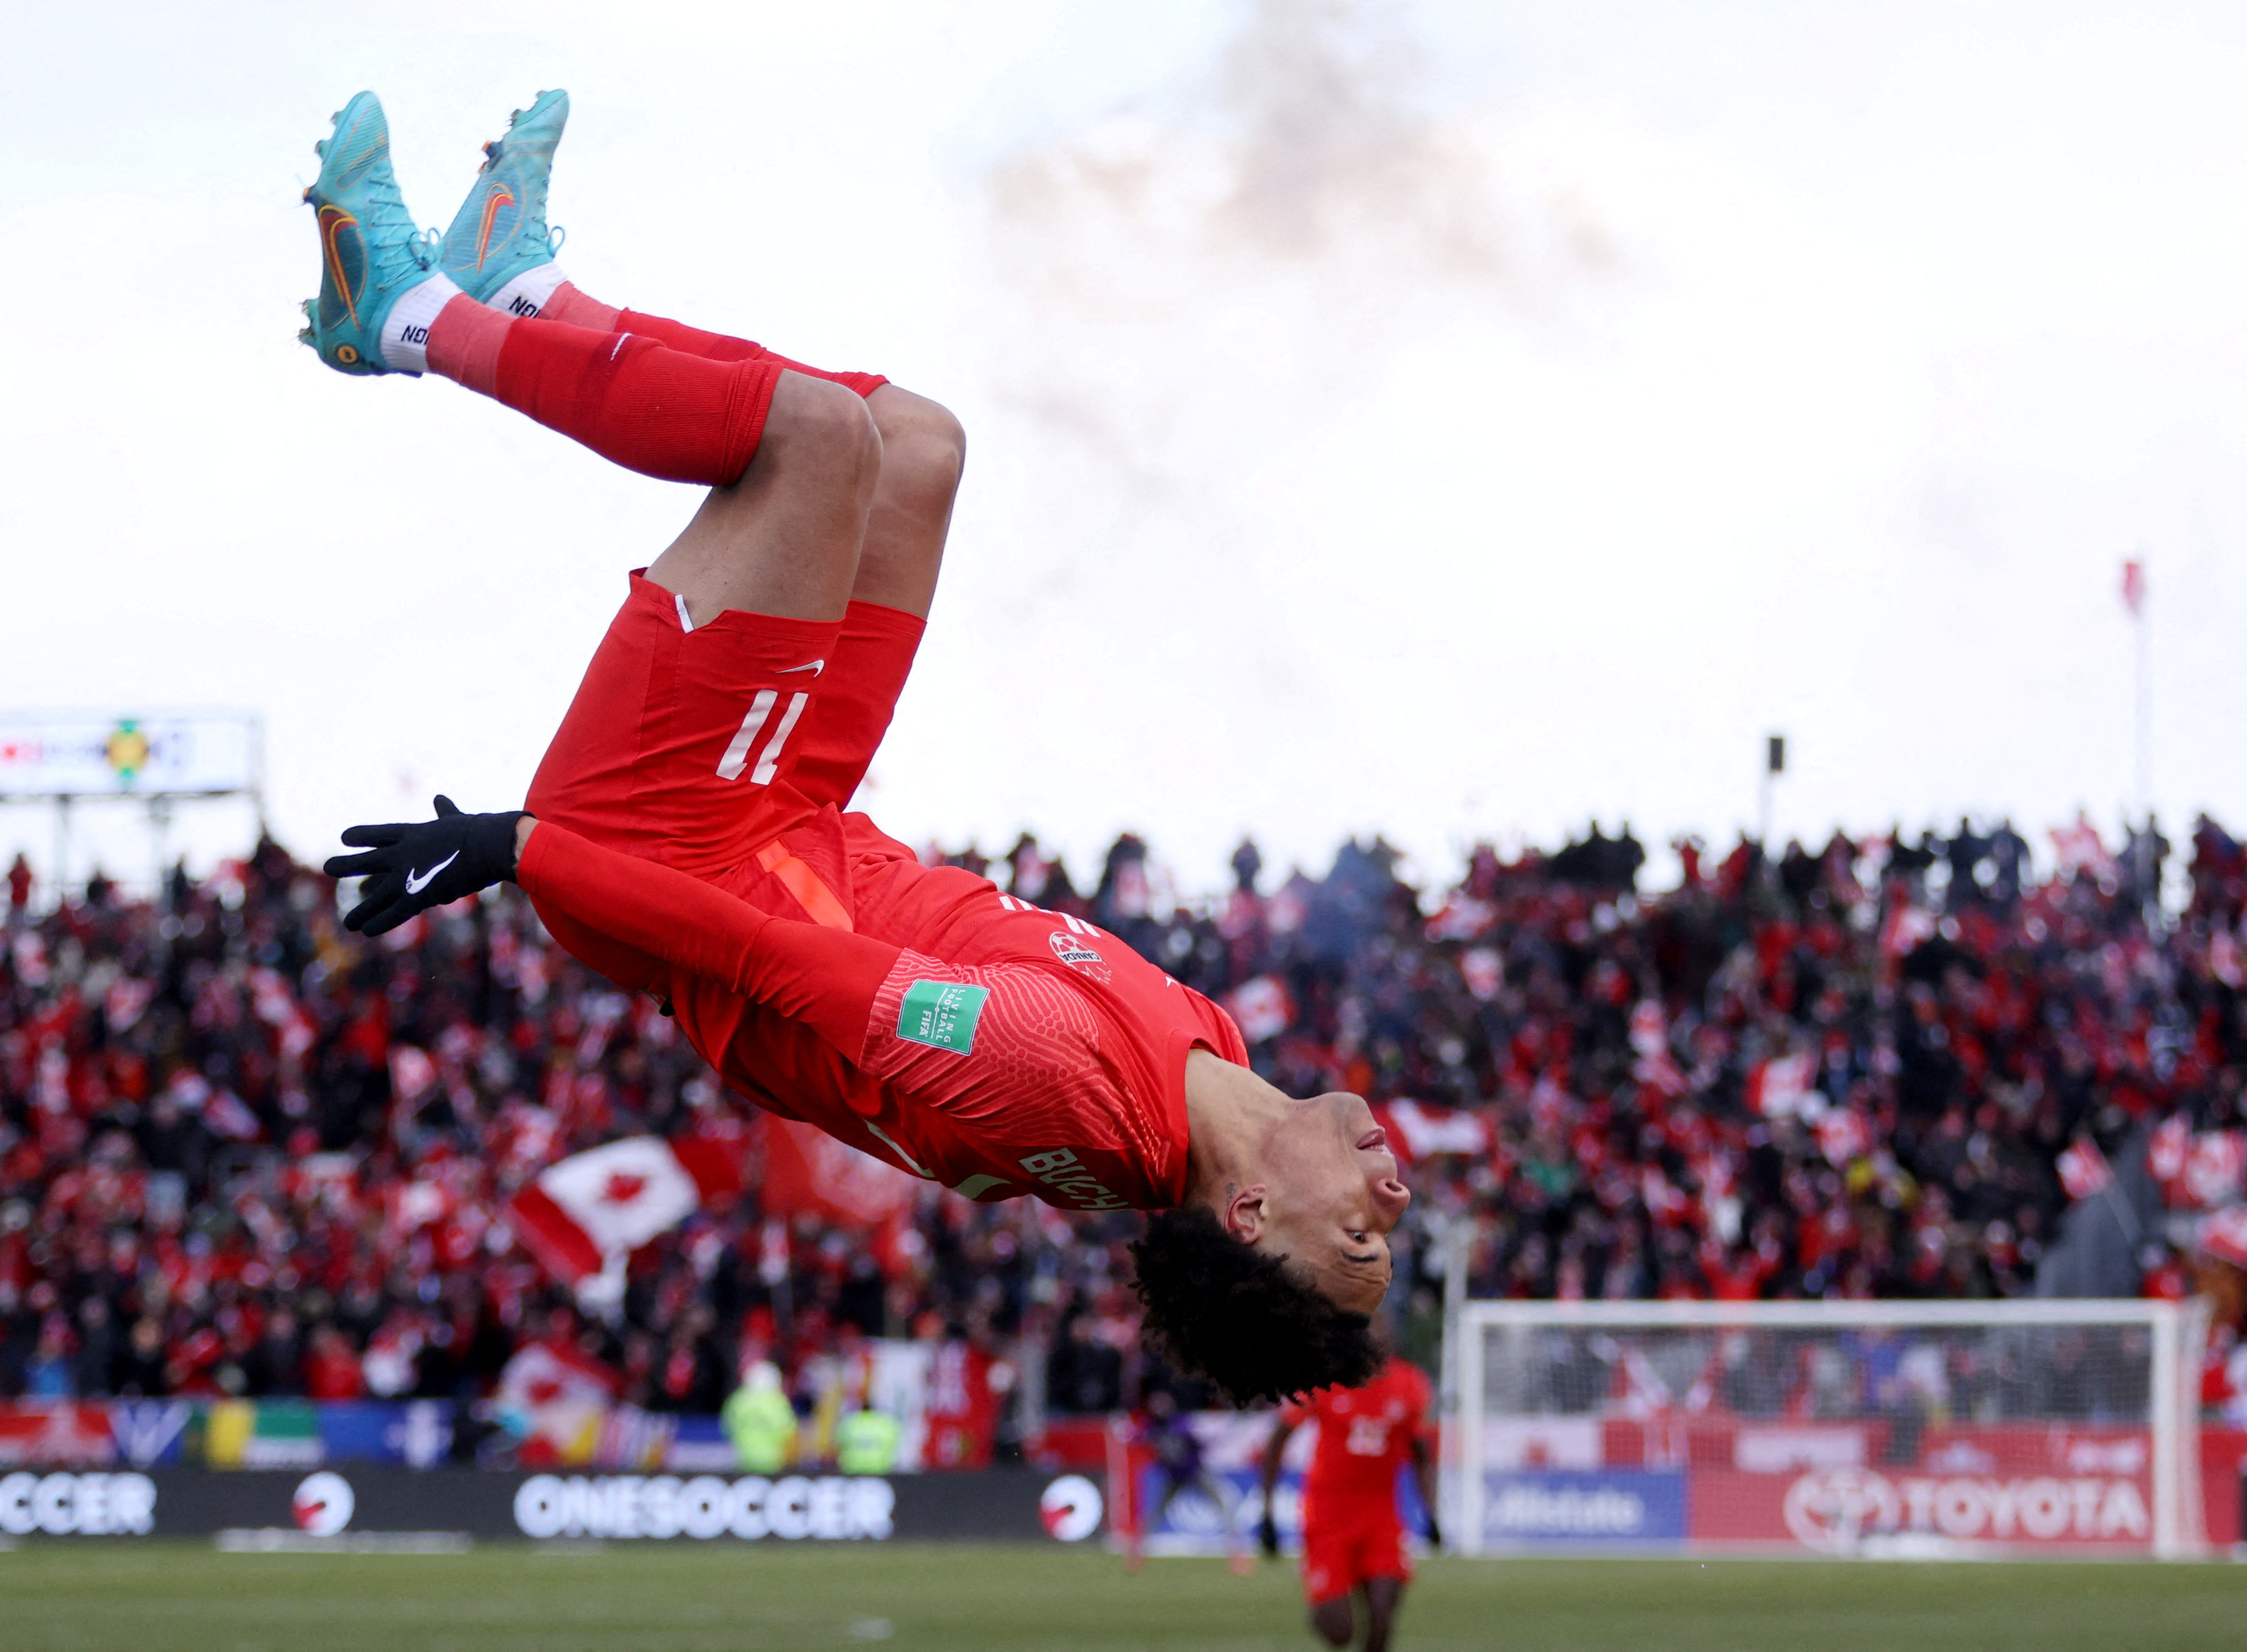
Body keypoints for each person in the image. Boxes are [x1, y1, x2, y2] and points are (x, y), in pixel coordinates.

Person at [304, 90, 1408, 1405]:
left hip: (675, 847)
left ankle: (403, 320)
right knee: (918, 449)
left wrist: (521, 848)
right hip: (789, 816)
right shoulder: (1204, 1051)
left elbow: (766, 958)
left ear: (1243, 1217)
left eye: (1357, 1231)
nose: (1388, 1192)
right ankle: (531, 291)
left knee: (812, 444)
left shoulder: (1055, 1084)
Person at [1257, 1348, 1439, 1652]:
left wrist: (1432, 1514)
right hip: (1329, 1516)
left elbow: (1421, 1453)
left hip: (1381, 1515)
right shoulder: (1323, 1378)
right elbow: (1279, 1438)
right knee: (1340, 1632)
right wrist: (1268, 1511)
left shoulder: (1409, 1382)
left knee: (1382, 1618)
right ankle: (1322, 1598)